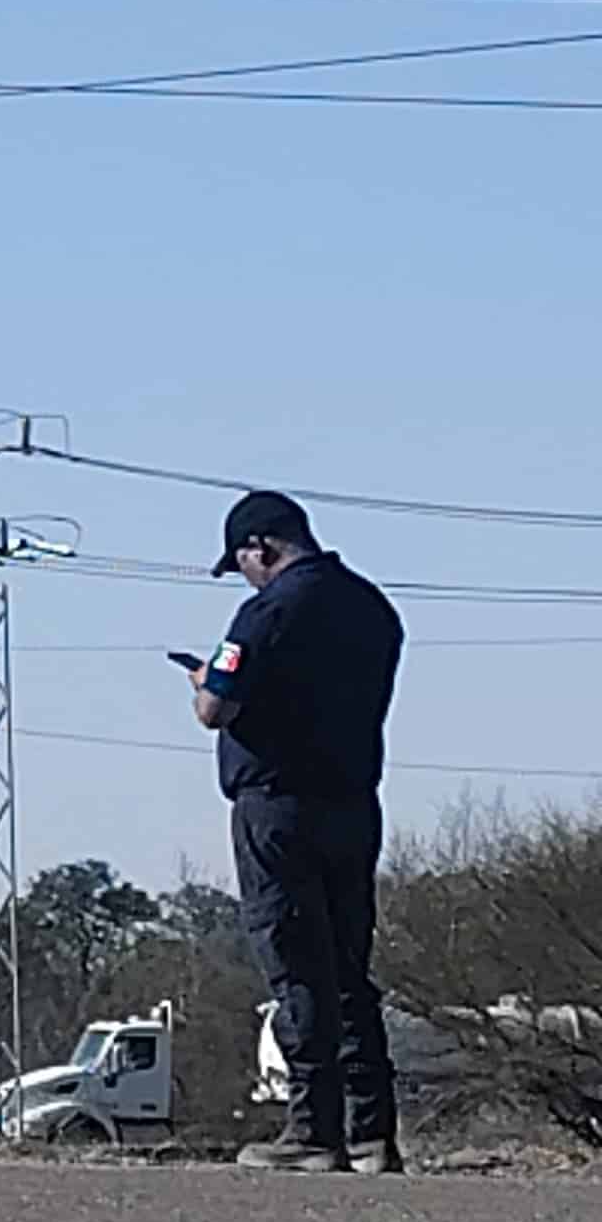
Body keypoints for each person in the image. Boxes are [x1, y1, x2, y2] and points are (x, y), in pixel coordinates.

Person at [189, 489, 405, 1172]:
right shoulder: (374, 608)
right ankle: (373, 1131)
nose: (245, 573)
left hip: (277, 806)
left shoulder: (267, 611)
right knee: (349, 969)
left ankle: (314, 1132)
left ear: (263, 546)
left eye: (244, 560)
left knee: (296, 967)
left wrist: (202, 679)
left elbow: (213, 709)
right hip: (353, 802)